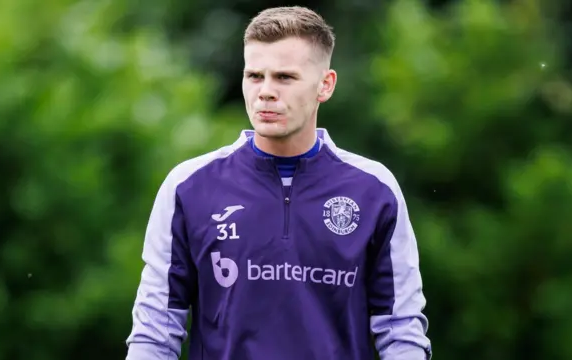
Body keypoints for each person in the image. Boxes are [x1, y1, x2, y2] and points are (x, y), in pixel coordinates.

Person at [125, 5, 431, 360]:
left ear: (325, 85)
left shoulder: (375, 190)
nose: (266, 92)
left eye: (284, 77)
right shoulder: (188, 186)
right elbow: (154, 332)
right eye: (255, 76)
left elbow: (402, 332)